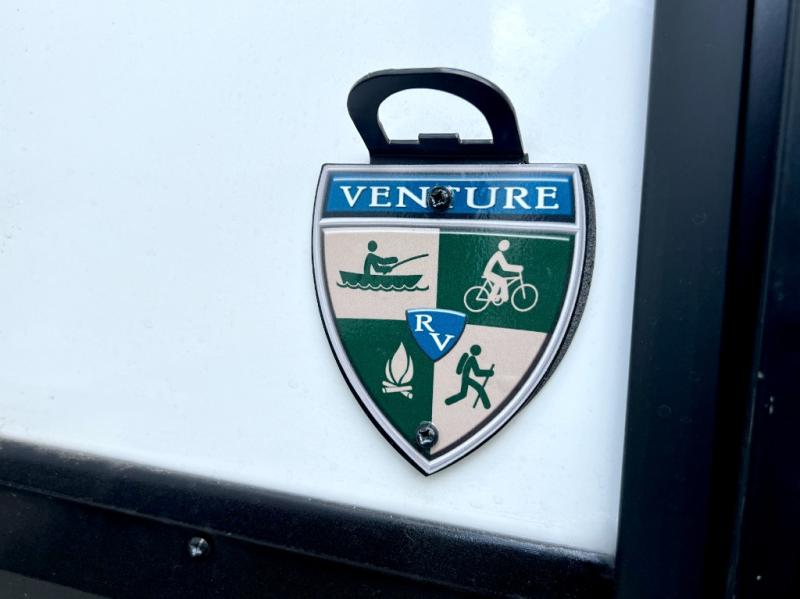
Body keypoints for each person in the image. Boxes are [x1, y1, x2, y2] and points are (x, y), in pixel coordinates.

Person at [444, 345, 494, 409]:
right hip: (467, 378)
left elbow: (459, 370)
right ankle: (487, 405)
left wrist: (488, 373)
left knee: (463, 394)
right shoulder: (472, 359)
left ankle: (448, 401)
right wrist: (489, 372)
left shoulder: (468, 357)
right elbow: (477, 372)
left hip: (465, 378)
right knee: (479, 388)